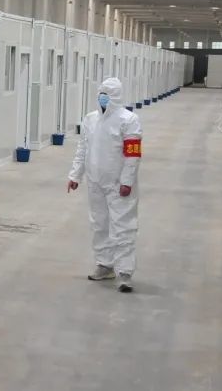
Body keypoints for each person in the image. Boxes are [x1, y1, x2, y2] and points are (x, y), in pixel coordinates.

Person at [67, 77, 142, 293]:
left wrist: (127, 181)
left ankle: (125, 273)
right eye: (101, 93)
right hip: (95, 182)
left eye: (107, 94)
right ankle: (105, 265)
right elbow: (82, 149)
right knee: (99, 224)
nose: (102, 97)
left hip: (119, 185)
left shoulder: (129, 120)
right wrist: (75, 175)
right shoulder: (90, 119)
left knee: (123, 227)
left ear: (116, 96)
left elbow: (133, 154)